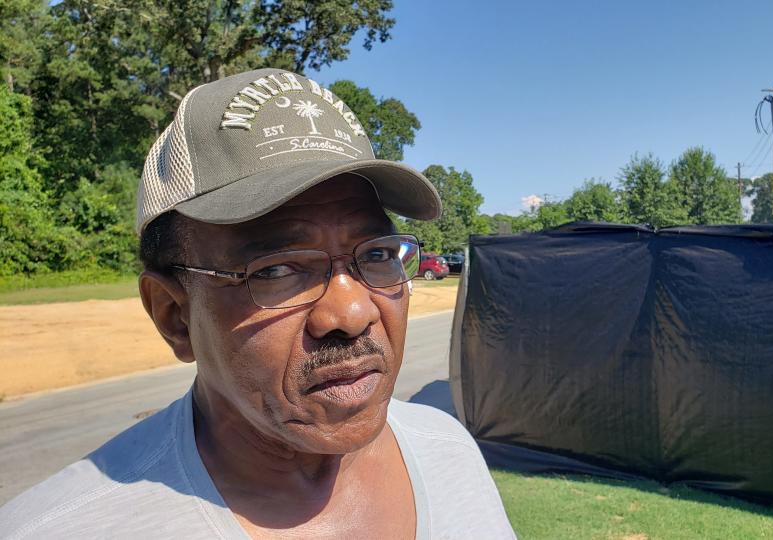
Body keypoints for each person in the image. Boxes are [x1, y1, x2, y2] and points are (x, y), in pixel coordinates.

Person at [0, 68, 515, 539]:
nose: (352, 313)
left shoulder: (447, 449)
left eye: (377, 254)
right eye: (276, 270)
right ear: (174, 316)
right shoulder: (66, 528)